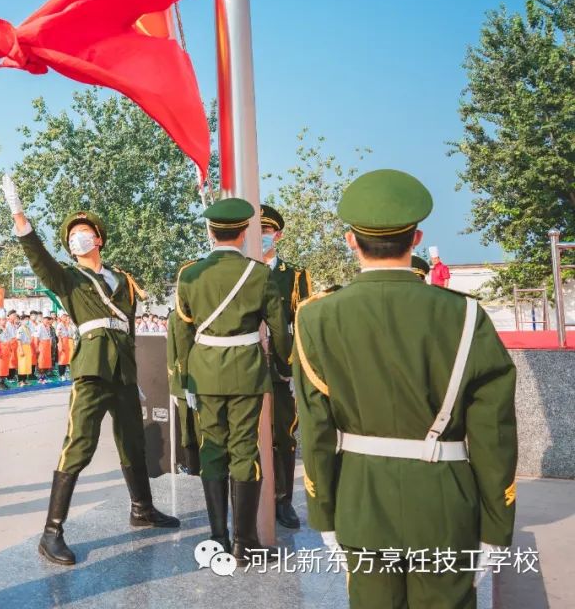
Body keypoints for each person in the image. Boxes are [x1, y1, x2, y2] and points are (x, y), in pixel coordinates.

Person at [295, 169, 517, 608]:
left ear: (349, 240)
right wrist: (497, 524)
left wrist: (323, 515)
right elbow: (494, 433)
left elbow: (316, 429)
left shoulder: (315, 318)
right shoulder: (466, 316)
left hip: (360, 501)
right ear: (416, 239)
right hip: (444, 502)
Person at [1, 174, 179, 566]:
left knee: (133, 441)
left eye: (82, 232)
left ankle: (141, 508)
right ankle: (52, 532)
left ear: (98, 238)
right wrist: (19, 213)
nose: (76, 239)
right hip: (92, 368)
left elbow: (128, 328)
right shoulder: (68, 278)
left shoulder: (123, 281)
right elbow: (38, 257)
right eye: (71, 236)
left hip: (123, 371)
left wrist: (133, 374)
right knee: (79, 444)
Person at [175, 198, 291, 565]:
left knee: (212, 448)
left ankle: (217, 539)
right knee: (244, 449)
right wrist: (284, 366)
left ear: (211, 233)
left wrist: (184, 374)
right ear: (243, 233)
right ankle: (245, 543)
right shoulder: (260, 274)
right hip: (247, 370)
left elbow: (183, 328)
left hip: (204, 369)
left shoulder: (189, 274)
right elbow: (279, 328)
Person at [260, 204, 313, 530]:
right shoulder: (243, 271)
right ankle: (247, 499)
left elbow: (303, 324)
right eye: (257, 232)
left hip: (281, 368)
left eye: (266, 232)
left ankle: (283, 501)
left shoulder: (294, 276)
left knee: (283, 435)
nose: (262, 237)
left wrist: (297, 368)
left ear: (277, 235)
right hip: (245, 365)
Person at [166, 312, 201, 475]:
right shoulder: (175, 316)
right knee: (188, 432)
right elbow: (172, 351)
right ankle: (193, 471)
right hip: (182, 380)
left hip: (204, 377)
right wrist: (173, 385)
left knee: (202, 430)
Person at [0, 312, 17, 391]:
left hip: (6, 349)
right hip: (1, 349)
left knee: (5, 367)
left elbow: (9, 338)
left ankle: (3, 382)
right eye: (3, 320)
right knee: (0, 367)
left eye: (5, 320)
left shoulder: (6, 328)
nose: (4, 321)